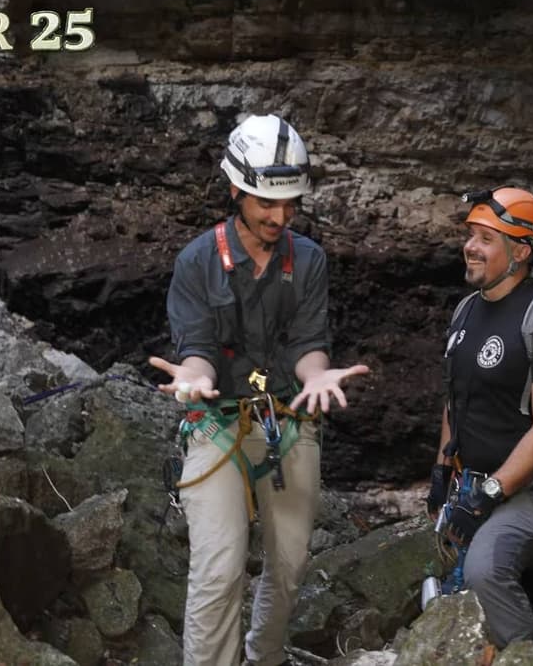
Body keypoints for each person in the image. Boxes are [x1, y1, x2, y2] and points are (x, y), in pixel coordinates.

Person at [149, 113, 369, 666]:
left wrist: (317, 375)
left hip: (288, 424)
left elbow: (308, 342)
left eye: (290, 203)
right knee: (220, 567)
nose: (280, 215)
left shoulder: (309, 260)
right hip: (216, 423)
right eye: (267, 203)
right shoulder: (198, 261)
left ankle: (265, 656)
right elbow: (195, 344)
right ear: (235, 189)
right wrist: (195, 377)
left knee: (291, 563)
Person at [427, 187, 533, 648]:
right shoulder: (465, 311)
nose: (470, 246)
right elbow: (455, 400)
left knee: (484, 569)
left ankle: (525, 657)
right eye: (470, 235)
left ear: (521, 250)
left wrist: (488, 495)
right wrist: (440, 472)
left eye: (486, 238)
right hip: (466, 480)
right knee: (445, 574)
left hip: (525, 487)